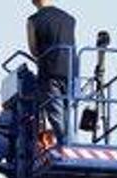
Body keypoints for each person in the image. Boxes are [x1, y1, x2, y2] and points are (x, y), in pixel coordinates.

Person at [27, 0, 76, 145]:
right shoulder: (69, 18)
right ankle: (72, 144)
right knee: (68, 112)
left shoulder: (33, 20)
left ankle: (68, 147)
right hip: (71, 70)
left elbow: (34, 50)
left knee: (57, 114)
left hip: (50, 70)